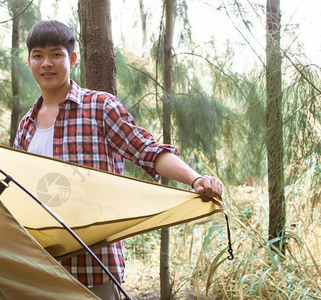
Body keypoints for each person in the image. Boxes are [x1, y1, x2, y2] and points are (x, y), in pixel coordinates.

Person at [13, 20, 223, 300]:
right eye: (38, 55)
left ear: (72, 59)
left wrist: (196, 179)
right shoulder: (26, 126)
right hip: (39, 268)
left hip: (93, 266)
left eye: (56, 54)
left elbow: (147, 151)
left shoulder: (100, 107)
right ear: (29, 62)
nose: (46, 63)